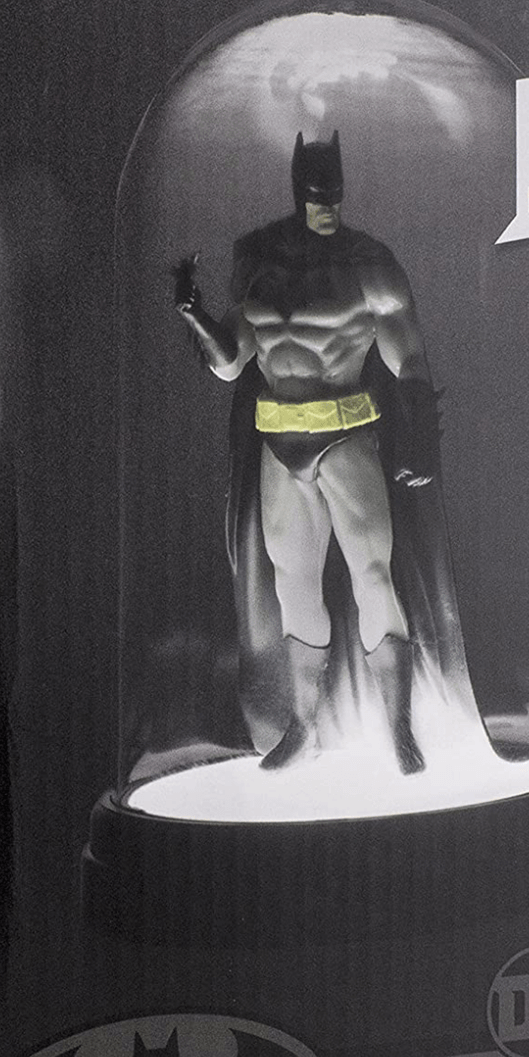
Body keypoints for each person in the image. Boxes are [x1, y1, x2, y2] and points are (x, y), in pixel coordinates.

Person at [176, 132, 444, 774]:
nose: (327, 205)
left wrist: (419, 441)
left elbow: (409, 360)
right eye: (316, 194)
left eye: (335, 193)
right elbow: (232, 362)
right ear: (298, 191)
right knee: (293, 583)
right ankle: (302, 725)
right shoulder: (256, 257)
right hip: (279, 441)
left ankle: (400, 730)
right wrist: (194, 314)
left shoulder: (369, 263)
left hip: (347, 435)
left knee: (372, 575)